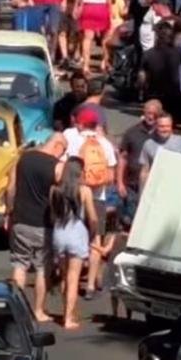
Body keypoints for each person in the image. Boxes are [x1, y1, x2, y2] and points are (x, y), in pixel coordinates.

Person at [6, 133, 66, 323]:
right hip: (43, 223)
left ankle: (16, 309)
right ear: (57, 145)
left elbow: (11, 189)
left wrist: (9, 211)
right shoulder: (56, 167)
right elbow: (61, 196)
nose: (61, 155)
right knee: (42, 268)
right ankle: (38, 310)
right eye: (62, 151)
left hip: (20, 220)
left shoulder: (24, 158)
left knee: (19, 265)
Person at [64, 106, 117, 299]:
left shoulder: (73, 141)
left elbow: (65, 169)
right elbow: (110, 177)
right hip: (98, 199)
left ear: (81, 123)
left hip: (75, 197)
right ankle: (91, 286)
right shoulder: (105, 144)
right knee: (96, 241)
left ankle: (70, 279)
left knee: (73, 237)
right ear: (96, 125)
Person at [49, 156, 97, 331]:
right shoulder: (84, 191)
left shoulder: (54, 189)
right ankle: (68, 318)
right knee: (73, 278)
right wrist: (92, 234)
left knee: (64, 276)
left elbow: (52, 214)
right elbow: (92, 217)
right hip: (77, 234)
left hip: (59, 233)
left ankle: (66, 312)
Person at [116, 99, 163, 225]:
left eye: (154, 114)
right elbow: (122, 158)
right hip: (133, 185)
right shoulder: (132, 133)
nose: (151, 116)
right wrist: (120, 182)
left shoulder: (163, 133)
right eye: (148, 113)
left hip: (156, 185)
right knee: (132, 221)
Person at [138, 114, 181, 187]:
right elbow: (144, 172)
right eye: (161, 126)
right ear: (156, 126)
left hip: (179, 185)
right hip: (157, 186)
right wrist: (142, 193)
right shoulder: (148, 144)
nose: (165, 129)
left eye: (168, 126)